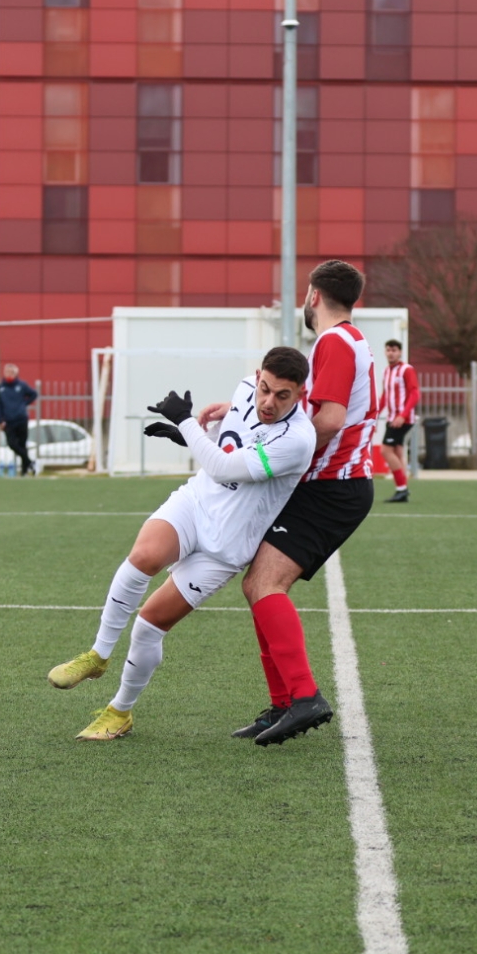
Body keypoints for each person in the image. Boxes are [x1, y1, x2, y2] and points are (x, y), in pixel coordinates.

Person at [46, 348, 317, 741]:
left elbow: (223, 467)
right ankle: (98, 655)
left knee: (149, 624)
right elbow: (229, 443)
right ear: (257, 376)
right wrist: (192, 434)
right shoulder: (244, 389)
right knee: (144, 556)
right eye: (265, 389)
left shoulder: (298, 439)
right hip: (195, 503)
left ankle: (119, 711)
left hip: (225, 545)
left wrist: (185, 422)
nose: (268, 402)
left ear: (300, 393)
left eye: (282, 396)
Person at [204, 260, 377, 746]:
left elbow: (330, 419)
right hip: (331, 484)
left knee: (263, 584)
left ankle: (303, 697)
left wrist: (280, 456)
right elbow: (305, 410)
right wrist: (243, 411)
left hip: (332, 485)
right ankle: (283, 703)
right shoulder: (351, 340)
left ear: (313, 295)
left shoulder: (334, 341)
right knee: (258, 585)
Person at [379, 338, 419, 503]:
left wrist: (403, 414)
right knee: (397, 452)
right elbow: (385, 396)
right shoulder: (386, 372)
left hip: (402, 419)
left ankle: (401, 489)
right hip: (392, 418)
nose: (391, 353)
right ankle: (403, 488)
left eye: (394, 350)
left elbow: (414, 393)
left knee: (385, 450)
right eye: (388, 350)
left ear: (400, 352)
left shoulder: (406, 370)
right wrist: (375, 414)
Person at [0, 364, 39, 476]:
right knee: (12, 444)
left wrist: (23, 404)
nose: (9, 374)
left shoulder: (22, 385)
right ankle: (30, 462)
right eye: (7, 372)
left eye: (12, 372)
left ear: (16, 374)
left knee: (22, 444)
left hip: (21, 419)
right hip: (8, 421)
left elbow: (34, 394)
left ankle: (24, 471)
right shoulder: (0, 388)